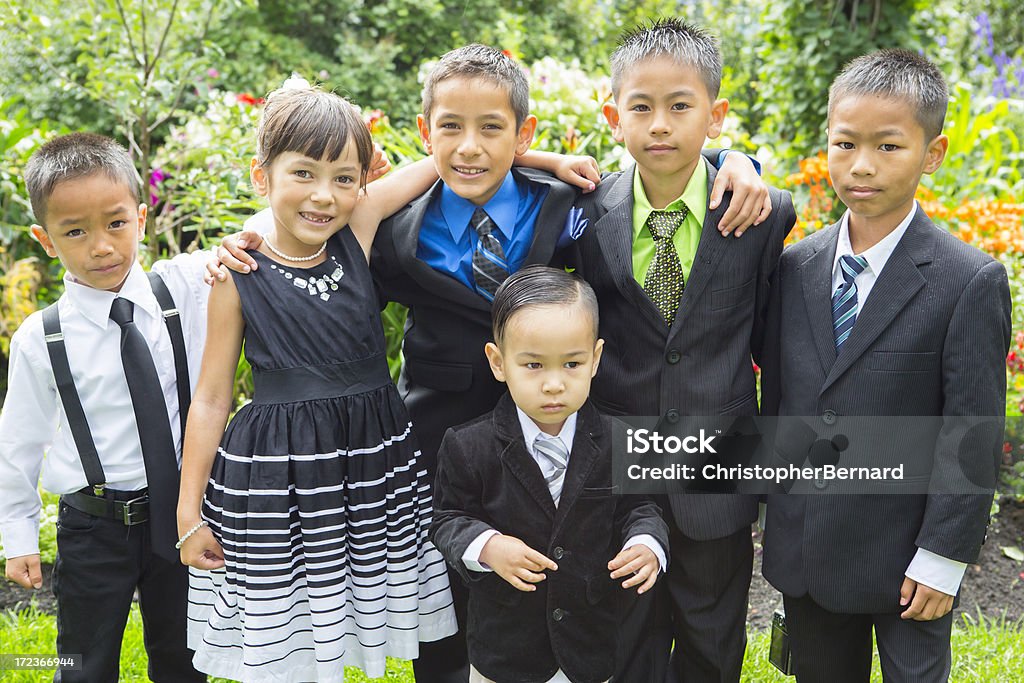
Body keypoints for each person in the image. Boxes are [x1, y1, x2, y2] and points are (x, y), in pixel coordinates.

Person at [216, 43, 767, 681]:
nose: (470, 147)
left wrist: (737, 161)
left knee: (563, 582)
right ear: (426, 133)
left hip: (557, 427)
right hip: (439, 437)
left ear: (521, 133)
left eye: (491, 130)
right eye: (451, 128)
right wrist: (242, 240)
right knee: (448, 601)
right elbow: (310, 225)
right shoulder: (393, 234)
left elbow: (660, 184)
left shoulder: (565, 206)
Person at [176, 82, 458, 682]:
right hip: (282, 474)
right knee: (292, 631)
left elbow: (449, 159)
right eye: (303, 174)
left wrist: (548, 161)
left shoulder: (357, 229)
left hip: (371, 463)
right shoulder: (238, 272)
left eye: (344, 178)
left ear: (362, 182)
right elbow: (211, 397)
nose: (324, 196)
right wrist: (187, 513)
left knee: (371, 603)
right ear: (263, 176)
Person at [759, 49, 1011, 682]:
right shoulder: (796, 268)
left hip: (909, 560)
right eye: (844, 144)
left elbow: (971, 429)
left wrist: (943, 557)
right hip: (812, 549)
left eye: (888, 146)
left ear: (934, 152)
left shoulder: (968, 280)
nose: (861, 166)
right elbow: (784, 402)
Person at [572, 19, 796, 682]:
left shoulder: (763, 213)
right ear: (614, 117)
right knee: (627, 637)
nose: (661, 124)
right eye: (641, 106)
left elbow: (773, 347)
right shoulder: (585, 214)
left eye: (681, 106)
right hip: (622, 463)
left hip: (719, 468)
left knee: (712, 637)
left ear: (716, 115)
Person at [0, 132, 209, 682]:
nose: (101, 246)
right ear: (46, 240)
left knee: (184, 660)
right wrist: (19, 537)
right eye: (75, 231)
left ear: (141, 216)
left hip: (182, 515)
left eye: (116, 223)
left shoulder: (185, 290)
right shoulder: (39, 338)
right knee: (82, 664)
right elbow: (17, 445)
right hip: (93, 527)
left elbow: (266, 228)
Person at [430, 265, 670, 683]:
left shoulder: (620, 440)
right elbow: (448, 518)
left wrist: (647, 542)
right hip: (505, 651)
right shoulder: (468, 445)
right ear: (498, 362)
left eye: (572, 364)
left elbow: (641, 505)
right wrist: (488, 546)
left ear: (595, 359)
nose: (554, 384)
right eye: (534, 366)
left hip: (590, 647)